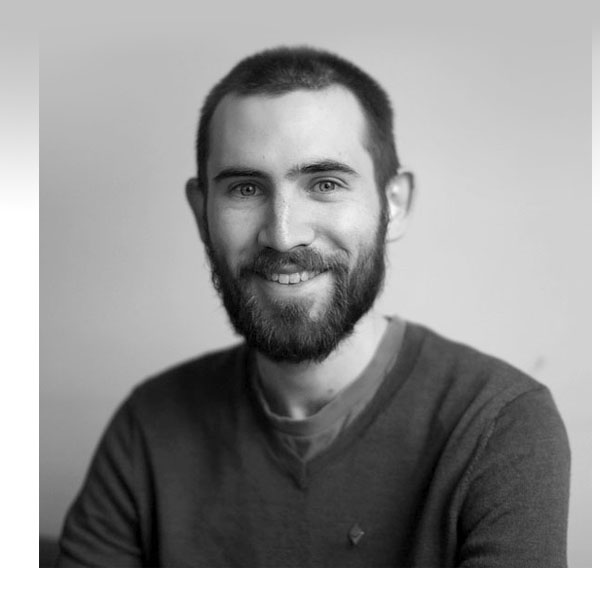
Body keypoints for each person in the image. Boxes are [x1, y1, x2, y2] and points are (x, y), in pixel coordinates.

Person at [57, 46, 570, 567]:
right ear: (201, 212)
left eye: (325, 184)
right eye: (245, 188)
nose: (283, 235)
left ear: (394, 204)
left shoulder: (498, 425)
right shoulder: (149, 426)